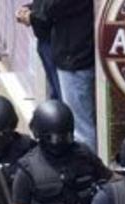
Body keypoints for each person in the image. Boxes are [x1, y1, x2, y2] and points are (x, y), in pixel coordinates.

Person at [36, 0, 97, 148]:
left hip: (75, 55)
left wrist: (34, 14)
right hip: (73, 52)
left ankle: (84, 168)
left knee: (80, 128)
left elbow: (53, 7)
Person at [16, 2, 61, 101]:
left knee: (60, 94)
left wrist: (32, 16)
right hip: (45, 39)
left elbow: (57, 6)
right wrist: (30, 9)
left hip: (57, 41)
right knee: (55, 93)